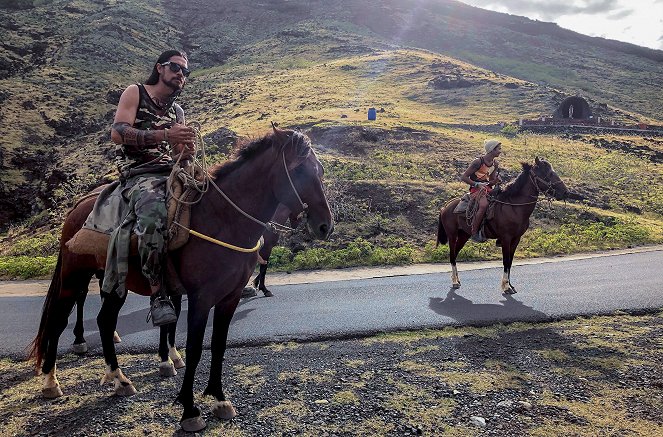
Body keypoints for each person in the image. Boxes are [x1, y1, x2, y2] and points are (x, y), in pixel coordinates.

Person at [108, 49, 196, 326]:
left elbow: (177, 149)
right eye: (175, 67)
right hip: (140, 173)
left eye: (185, 71)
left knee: (218, 193)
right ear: (160, 68)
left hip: (171, 171)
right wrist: (165, 134)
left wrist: (185, 148)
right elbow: (118, 133)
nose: (181, 74)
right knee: (153, 216)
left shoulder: (177, 110)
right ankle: (158, 295)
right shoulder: (135, 92)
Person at [460, 139, 502, 242]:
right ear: (492, 150)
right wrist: (477, 184)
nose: (500, 151)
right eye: (498, 149)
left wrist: (496, 181)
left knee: (502, 203)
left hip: (487, 189)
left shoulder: (494, 163)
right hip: (476, 189)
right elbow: (464, 177)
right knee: (483, 205)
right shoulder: (478, 162)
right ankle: (474, 232)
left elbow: (490, 181)